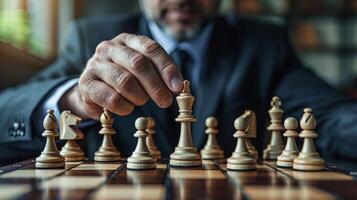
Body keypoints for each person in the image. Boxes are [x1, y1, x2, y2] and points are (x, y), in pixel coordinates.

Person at [0, 0, 356, 163]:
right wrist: (73, 100)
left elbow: (332, 116)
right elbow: (6, 113)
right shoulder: (90, 36)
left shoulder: (263, 44)